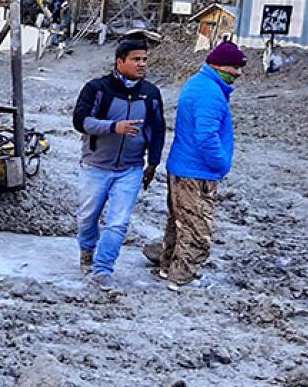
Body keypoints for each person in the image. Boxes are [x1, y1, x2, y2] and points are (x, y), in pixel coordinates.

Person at [145, 41, 245, 289]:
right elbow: (206, 137)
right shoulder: (209, 93)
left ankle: (168, 269)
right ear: (217, 65)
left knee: (178, 225)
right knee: (198, 233)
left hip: (183, 168)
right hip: (197, 172)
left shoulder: (199, 85)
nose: (238, 73)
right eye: (234, 67)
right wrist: (221, 165)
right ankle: (180, 280)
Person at [72, 39, 166, 291]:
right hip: (96, 166)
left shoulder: (151, 93)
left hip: (131, 169)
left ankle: (103, 270)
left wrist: (153, 162)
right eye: (136, 59)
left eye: (145, 59)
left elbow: (158, 129)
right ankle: (87, 250)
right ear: (120, 61)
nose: (142, 64)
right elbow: (80, 121)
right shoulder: (97, 89)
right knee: (87, 217)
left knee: (118, 222)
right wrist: (114, 127)